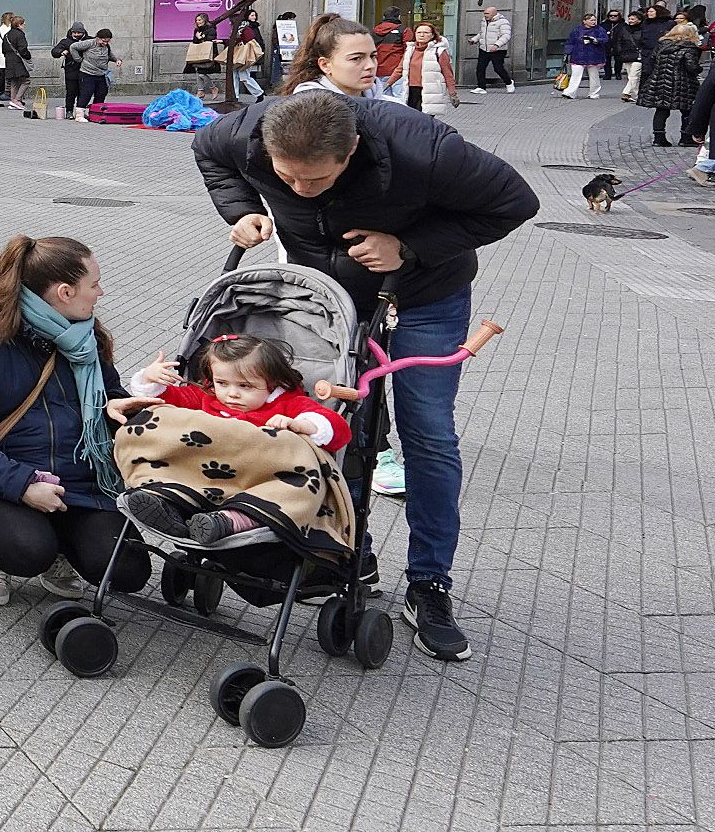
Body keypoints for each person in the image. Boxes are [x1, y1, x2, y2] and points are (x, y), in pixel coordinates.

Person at [194, 89, 537, 662]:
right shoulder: (249, 131)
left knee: (426, 435)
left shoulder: (424, 149)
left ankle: (430, 584)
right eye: (287, 179)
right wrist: (242, 211)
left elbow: (514, 203)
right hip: (330, 305)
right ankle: (344, 554)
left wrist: (410, 246)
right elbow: (208, 150)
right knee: (335, 426)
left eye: (315, 181)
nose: (299, 191)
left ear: (351, 150)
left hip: (423, 295)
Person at [0, 235, 146, 607]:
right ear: (65, 292)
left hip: (82, 482)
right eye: (94, 284)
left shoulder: (86, 335)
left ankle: (62, 545)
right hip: (3, 481)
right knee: (27, 550)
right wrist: (22, 486)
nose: (101, 292)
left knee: (129, 570)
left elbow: (109, 393)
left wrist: (118, 408)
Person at [112, 334, 351, 547]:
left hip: (258, 481)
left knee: (301, 483)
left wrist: (303, 425)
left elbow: (337, 428)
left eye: (245, 386)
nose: (232, 393)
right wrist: (150, 379)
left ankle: (229, 522)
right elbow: (166, 399)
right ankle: (165, 503)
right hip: (197, 478)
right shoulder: (207, 396)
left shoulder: (288, 404)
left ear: (273, 383)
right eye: (222, 383)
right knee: (156, 418)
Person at [274, 13, 383, 99]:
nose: (370, 66)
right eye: (356, 58)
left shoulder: (393, 108)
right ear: (325, 65)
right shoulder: (305, 113)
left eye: (373, 56)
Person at [640, 20, 707, 146]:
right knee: (687, 110)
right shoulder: (689, 47)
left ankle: (659, 139)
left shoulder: (661, 45)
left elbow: (652, 60)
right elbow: (692, 67)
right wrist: (699, 68)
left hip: (661, 81)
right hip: (683, 83)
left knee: (661, 109)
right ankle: (686, 138)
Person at [404, 22, 461, 116]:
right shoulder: (410, 50)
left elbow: (448, 74)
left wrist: (452, 93)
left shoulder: (439, 51)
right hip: (411, 90)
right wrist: (388, 84)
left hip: (430, 90)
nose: (422, 35)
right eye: (419, 32)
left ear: (432, 35)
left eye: (426, 33)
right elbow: (399, 69)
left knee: (425, 119)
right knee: (412, 119)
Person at [73, 28, 119, 116]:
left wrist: (117, 60)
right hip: (87, 74)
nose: (105, 43)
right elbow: (73, 47)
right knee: (86, 94)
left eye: (107, 41)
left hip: (101, 74)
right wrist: (78, 59)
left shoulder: (106, 47)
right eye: (103, 41)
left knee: (101, 94)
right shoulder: (89, 43)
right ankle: (79, 115)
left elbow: (109, 55)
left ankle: (95, 113)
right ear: (98, 38)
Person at [564, 14, 611, 99]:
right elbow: (570, 42)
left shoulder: (599, 29)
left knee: (594, 76)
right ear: (584, 21)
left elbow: (605, 39)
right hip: (578, 55)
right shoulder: (577, 30)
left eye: (594, 20)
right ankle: (570, 92)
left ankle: (594, 93)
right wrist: (567, 53)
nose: (593, 22)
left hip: (594, 55)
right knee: (576, 75)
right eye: (591, 20)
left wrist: (596, 40)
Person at [50, 22, 90, 120]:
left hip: (86, 71)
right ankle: (69, 111)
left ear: (83, 32)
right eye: (74, 32)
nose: (76, 35)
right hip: (71, 70)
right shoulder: (66, 42)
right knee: (71, 92)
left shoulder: (89, 40)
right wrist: (61, 52)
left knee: (83, 92)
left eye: (78, 33)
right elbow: (54, 51)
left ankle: (80, 112)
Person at [470, 6, 515, 93]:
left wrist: (496, 45)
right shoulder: (484, 21)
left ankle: (509, 82)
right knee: (480, 68)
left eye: (487, 13)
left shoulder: (503, 22)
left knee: (498, 68)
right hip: (484, 48)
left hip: (498, 50)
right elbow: (482, 33)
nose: (485, 15)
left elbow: (506, 35)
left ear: (494, 13)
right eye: (484, 13)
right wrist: (474, 40)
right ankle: (481, 87)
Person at [0, 12, 32, 107]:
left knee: (14, 81)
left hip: (7, 60)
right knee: (26, 81)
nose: (24, 25)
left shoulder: (6, 34)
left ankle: (12, 101)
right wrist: (28, 56)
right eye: (23, 23)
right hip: (17, 61)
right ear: (18, 24)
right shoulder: (19, 34)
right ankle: (16, 100)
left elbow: (3, 48)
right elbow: (23, 49)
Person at [229, 9, 267, 102]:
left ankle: (259, 93)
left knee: (244, 76)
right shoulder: (242, 28)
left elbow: (250, 40)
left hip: (243, 55)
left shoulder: (245, 29)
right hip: (239, 55)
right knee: (236, 75)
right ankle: (236, 96)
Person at [371, 7, 407, 98]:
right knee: (399, 99)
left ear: (384, 17)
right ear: (399, 17)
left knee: (382, 98)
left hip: (378, 71)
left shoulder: (374, 31)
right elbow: (409, 51)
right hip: (397, 71)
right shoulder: (403, 31)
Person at [616, 10, 648, 100]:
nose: (630, 20)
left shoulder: (644, 30)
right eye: (629, 19)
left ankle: (628, 93)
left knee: (633, 75)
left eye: (633, 19)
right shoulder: (624, 29)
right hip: (627, 55)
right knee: (632, 76)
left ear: (639, 20)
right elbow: (619, 41)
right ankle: (632, 94)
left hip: (639, 55)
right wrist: (620, 52)